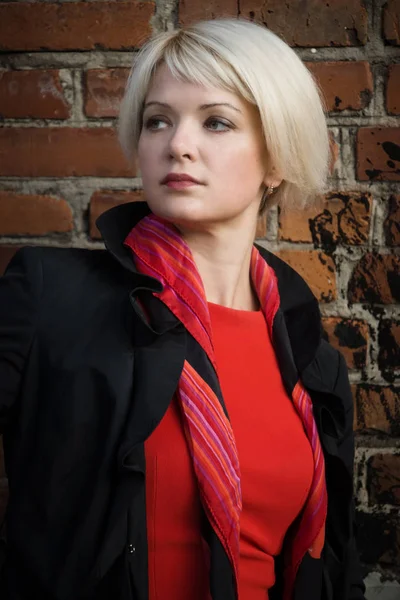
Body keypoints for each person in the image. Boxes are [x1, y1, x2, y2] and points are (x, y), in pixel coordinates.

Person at [0, 17, 365, 600]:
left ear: (276, 159)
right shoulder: (51, 297)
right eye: (157, 121)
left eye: (216, 121)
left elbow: (335, 564)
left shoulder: (313, 363)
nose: (178, 144)